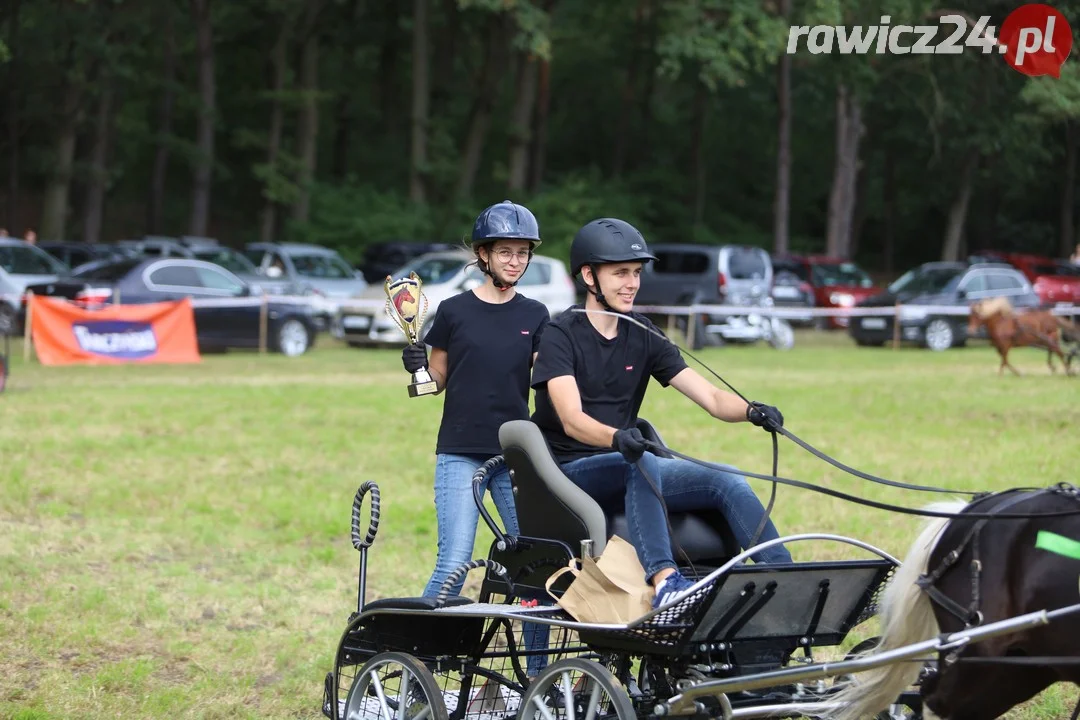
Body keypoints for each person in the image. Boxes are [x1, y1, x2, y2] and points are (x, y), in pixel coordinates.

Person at [530, 218, 793, 610]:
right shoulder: (560, 334)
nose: (632, 283)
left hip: (629, 461)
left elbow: (713, 398)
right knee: (639, 462)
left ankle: (787, 583)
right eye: (620, 273)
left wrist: (752, 411)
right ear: (589, 276)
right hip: (568, 473)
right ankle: (666, 583)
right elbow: (571, 419)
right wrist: (617, 439)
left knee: (728, 479)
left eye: (636, 273)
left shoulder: (643, 333)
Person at [401, 200, 552, 675]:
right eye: (505, 251)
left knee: (534, 569)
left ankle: (538, 675)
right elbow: (437, 380)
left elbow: (545, 380)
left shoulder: (537, 313)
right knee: (454, 562)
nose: (515, 260)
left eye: (522, 252)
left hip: (514, 457)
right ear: (483, 255)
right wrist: (418, 368)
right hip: (460, 453)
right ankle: (416, 661)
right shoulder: (453, 311)